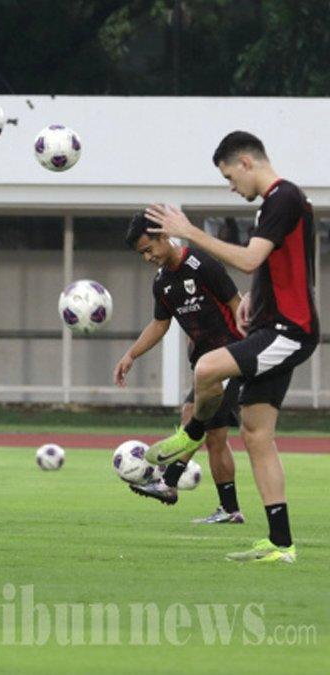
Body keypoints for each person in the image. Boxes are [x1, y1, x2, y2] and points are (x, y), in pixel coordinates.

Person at [144, 131, 318, 564]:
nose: (230, 185)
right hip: (272, 325)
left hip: (289, 330)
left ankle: (191, 436)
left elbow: (249, 259)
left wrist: (188, 232)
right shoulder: (276, 205)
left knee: (207, 368)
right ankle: (281, 544)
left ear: (245, 162)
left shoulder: (284, 197)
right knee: (256, 435)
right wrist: (253, 306)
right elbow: (277, 268)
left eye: (228, 176)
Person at [115, 212, 244, 523]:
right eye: (141, 254)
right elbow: (160, 325)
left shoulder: (202, 264)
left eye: (149, 249)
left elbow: (236, 303)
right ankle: (229, 510)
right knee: (214, 437)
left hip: (232, 358)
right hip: (206, 367)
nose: (147, 257)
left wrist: (251, 349)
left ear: (163, 236)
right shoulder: (162, 282)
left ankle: (168, 483)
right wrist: (131, 355)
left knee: (193, 417)